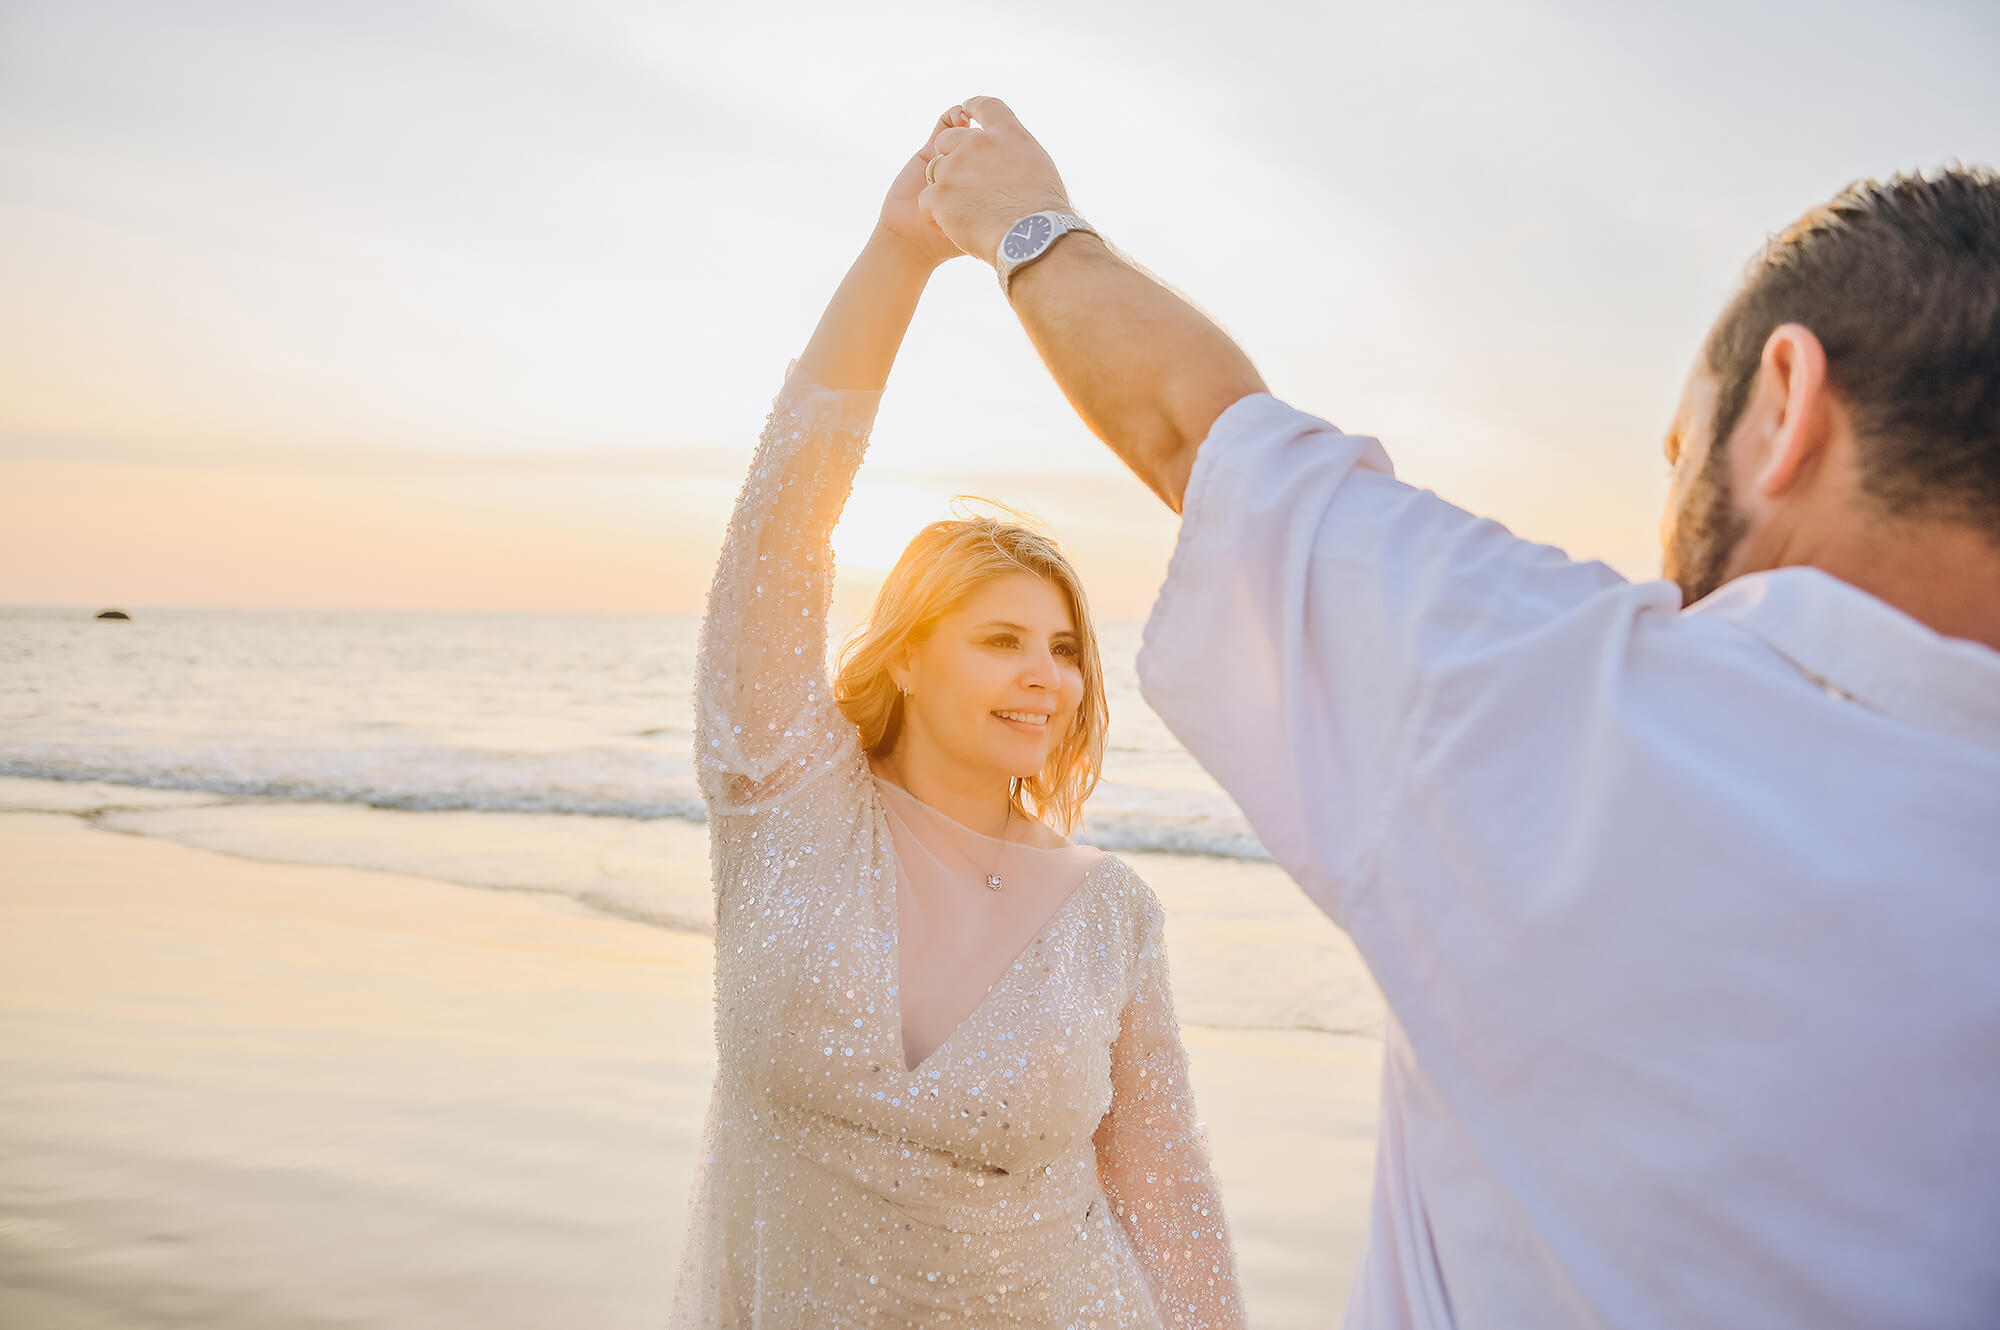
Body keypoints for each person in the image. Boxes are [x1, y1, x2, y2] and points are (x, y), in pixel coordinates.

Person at [920, 97, 2000, 1329]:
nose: (1662, 526)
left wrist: (1016, 215)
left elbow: (1191, 428)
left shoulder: (1573, 702)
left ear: (1785, 401)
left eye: (1676, 447)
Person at [669, 108, 1245, 1329]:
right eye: (999, 640)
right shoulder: (784, 802)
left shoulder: (1109, 919)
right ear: (909, 656)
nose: (1046, 677)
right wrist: (899, 254)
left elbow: (1166, 1198)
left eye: (1064, 651)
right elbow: (781, 522)